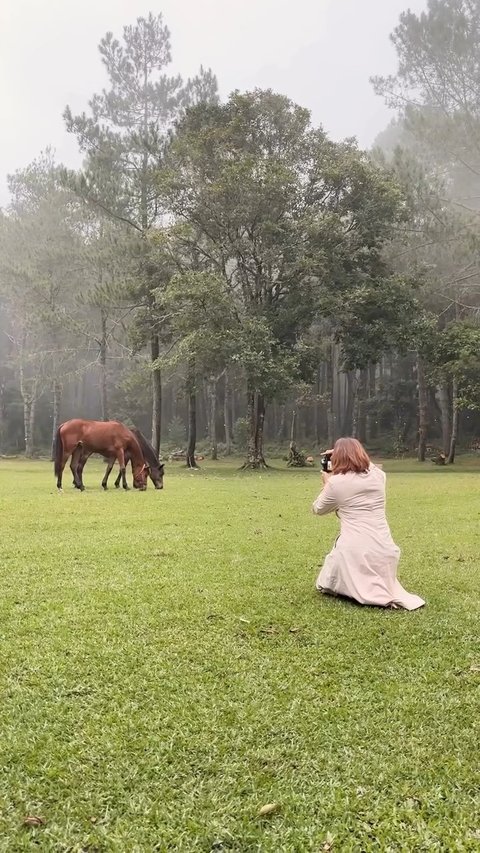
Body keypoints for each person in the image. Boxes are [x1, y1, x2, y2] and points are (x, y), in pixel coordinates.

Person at [312, 437, 425, 610]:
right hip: (384, 547)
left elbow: (318, 509)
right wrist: (348, 451)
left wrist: (326, 483)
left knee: (335, 568)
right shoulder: (378, 476)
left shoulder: (336, 483)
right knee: (337, 560)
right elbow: (369, 465)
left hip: (355, 550)